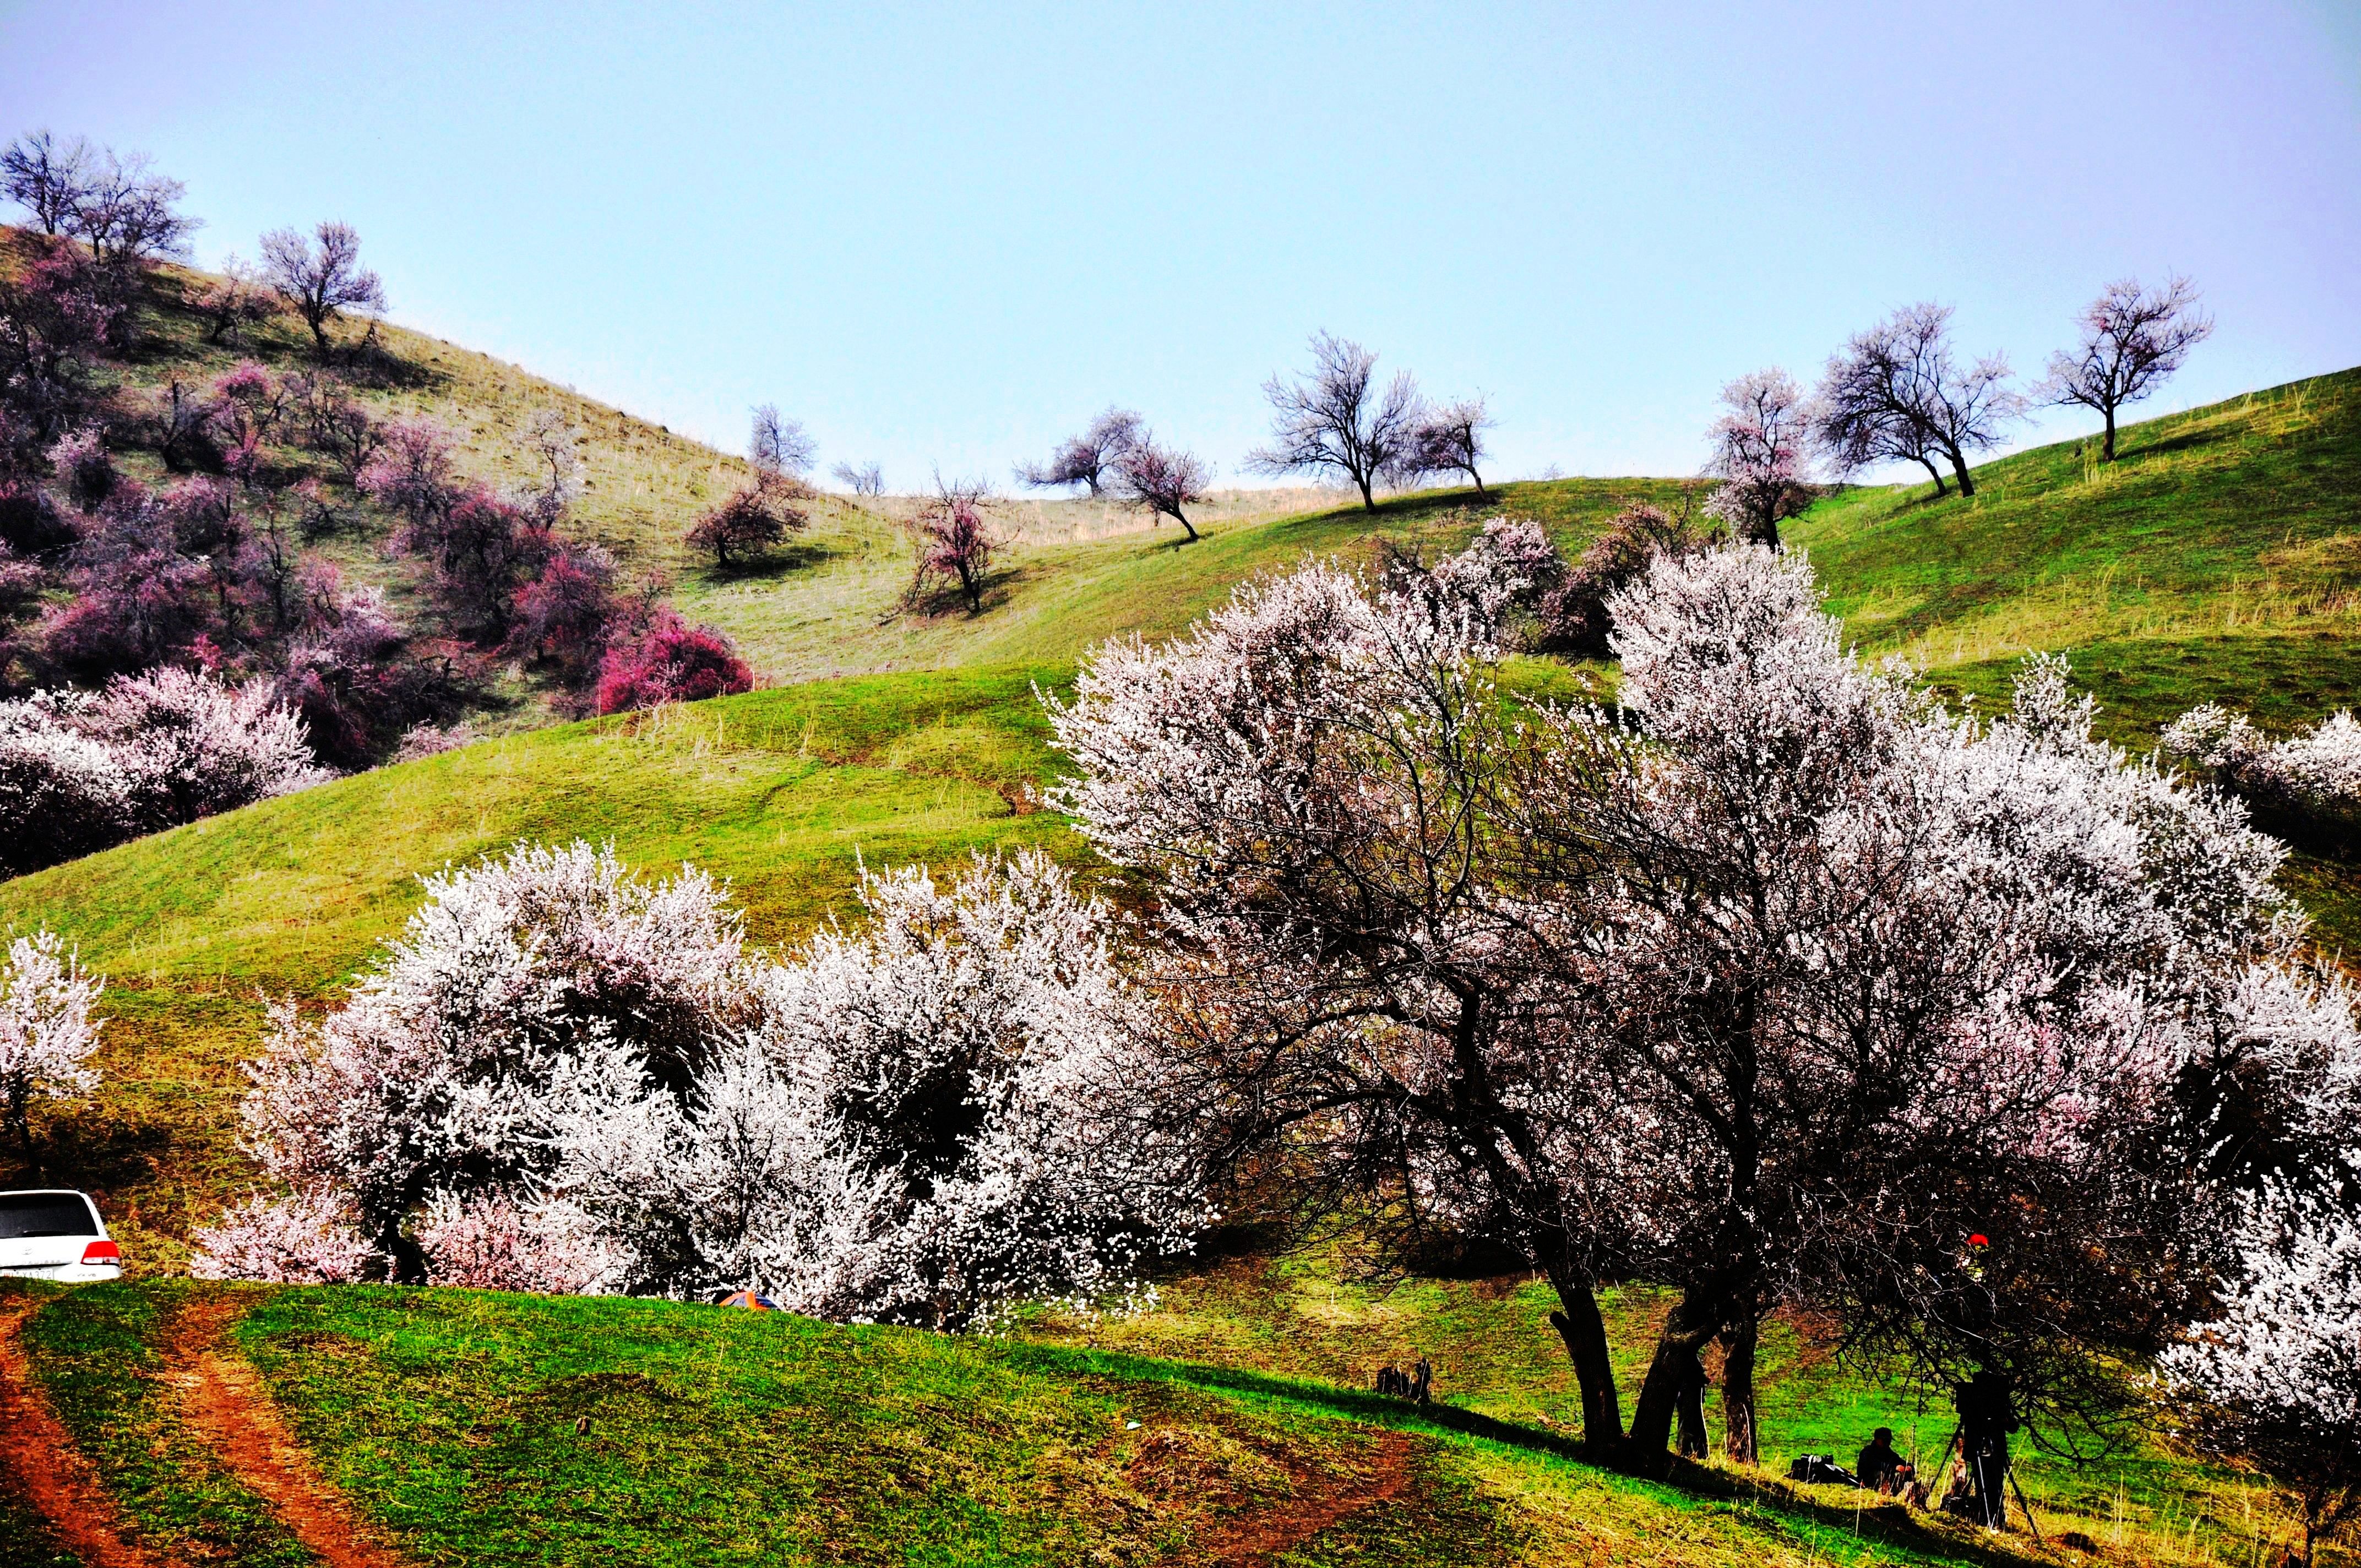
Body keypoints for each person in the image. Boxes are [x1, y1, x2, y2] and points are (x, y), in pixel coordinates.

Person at [1954, 1370, 2020, 1528]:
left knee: (1995, 1487)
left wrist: (2001, 1418)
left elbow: (2013, 1426)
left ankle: (1994, 1518)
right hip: (1980, 1449)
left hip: (1995, 1452)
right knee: (1984, 1485)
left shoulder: (1997, 1405)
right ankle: (1985, 1518)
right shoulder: (1975, 1403)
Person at [1668, 1346, 1711, 1459]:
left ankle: (1688, 1452)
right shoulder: (1686, 1356)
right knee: (1692, 1423)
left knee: (1689, 1423)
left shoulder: (1683, 1355)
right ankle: (1692, 1452)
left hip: (1689, 1391)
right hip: (1689, 1391)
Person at [1855, 1428, 1903, 1494]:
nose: (1887, 1443)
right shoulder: (1868, 1452)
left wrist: (1907, 1467)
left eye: (1888, 1441)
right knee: (1880, 1474)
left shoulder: (1888, 1452)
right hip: (1867, 1480)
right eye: (1885, 1441)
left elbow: (1898, 1460)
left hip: (1884, 1481)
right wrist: (1895, 1468)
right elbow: (1877, 1464)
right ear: (1878, 1440)